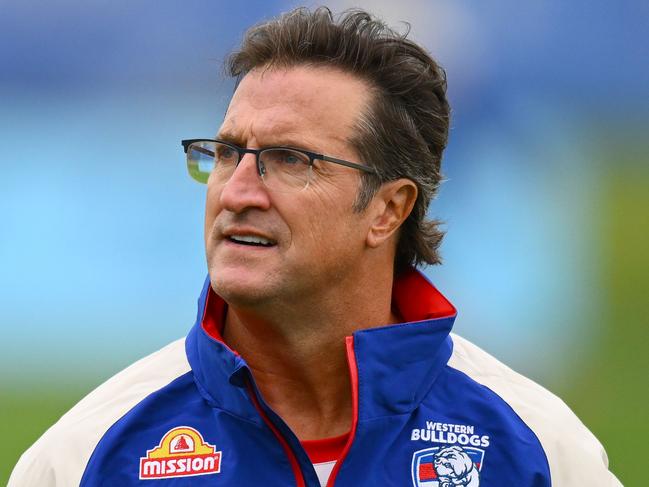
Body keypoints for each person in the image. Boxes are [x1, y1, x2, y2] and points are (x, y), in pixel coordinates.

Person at [9, 7, 621, 487]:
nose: (238, 192)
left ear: (388, 210)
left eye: (289, 159)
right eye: (227, 153)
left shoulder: (537, 451)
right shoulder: (86, 457)